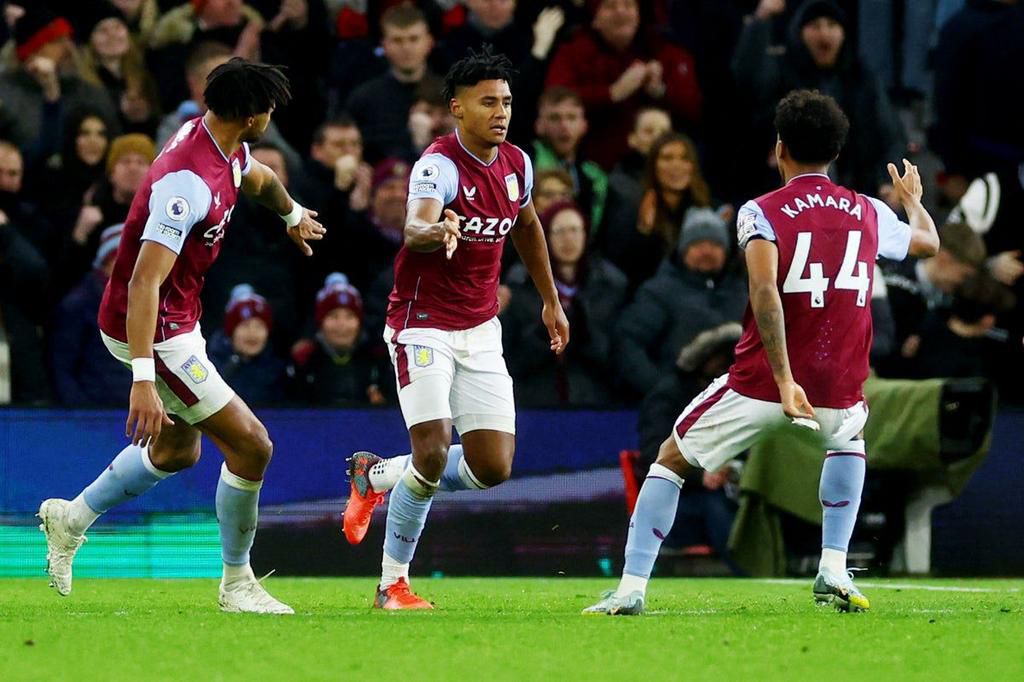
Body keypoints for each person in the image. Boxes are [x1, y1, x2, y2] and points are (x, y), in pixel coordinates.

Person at [583, 90, 940, 616]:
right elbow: (928, 244)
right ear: (836, 152)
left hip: (764, 380)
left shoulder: (761, 211)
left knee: (671, 459)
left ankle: (632, 588)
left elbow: (764, 292)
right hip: (838, 384)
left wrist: (783, 377)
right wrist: (911, 200)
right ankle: (833, 567)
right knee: (849, 439)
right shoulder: (867, 210)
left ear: (780, 150)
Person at [37, 58, 324, 615]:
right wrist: (143, 378)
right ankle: (237, 584)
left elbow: (259, 178)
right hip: (150, 328)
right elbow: (144, 280)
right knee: (251, 445)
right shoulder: (186, 184)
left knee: (177, 448)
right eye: (268, 107)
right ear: (251, 115)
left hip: (177, 319)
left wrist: (290, 214)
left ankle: (70, 518)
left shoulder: (221, 143)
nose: (271, 116)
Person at [341, 47, 570, 609]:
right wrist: (436, 228)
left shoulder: (518, 163)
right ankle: (391, 583)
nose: (501, 112)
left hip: (480, 327)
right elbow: (413, 224)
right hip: (422, 326)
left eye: (507, 102)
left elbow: (528, 226)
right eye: (488, 102)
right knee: (435, 450)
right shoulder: (437, 165)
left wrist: (549, 299)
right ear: (458, 108)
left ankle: (375, 477)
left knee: (493, 467)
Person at [49, 223, 132, 406]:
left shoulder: (146, 301)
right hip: (94, 413)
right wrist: (80, 413)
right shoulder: (78, 304)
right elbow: (62, 367)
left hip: (136, 411)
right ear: (108, 260)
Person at [289, 273, 389, 406]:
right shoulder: (304, 362)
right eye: (333, 316)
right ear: (320, 323)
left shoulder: (378, 360)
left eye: (349, 316)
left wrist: (383, 403)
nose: (342, 324)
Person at [207, 284, 287, 406]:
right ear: (231, 332)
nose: (252, 333)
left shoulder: (279, 369)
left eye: (259, 326)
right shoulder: (210, 367)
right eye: (245, 326)